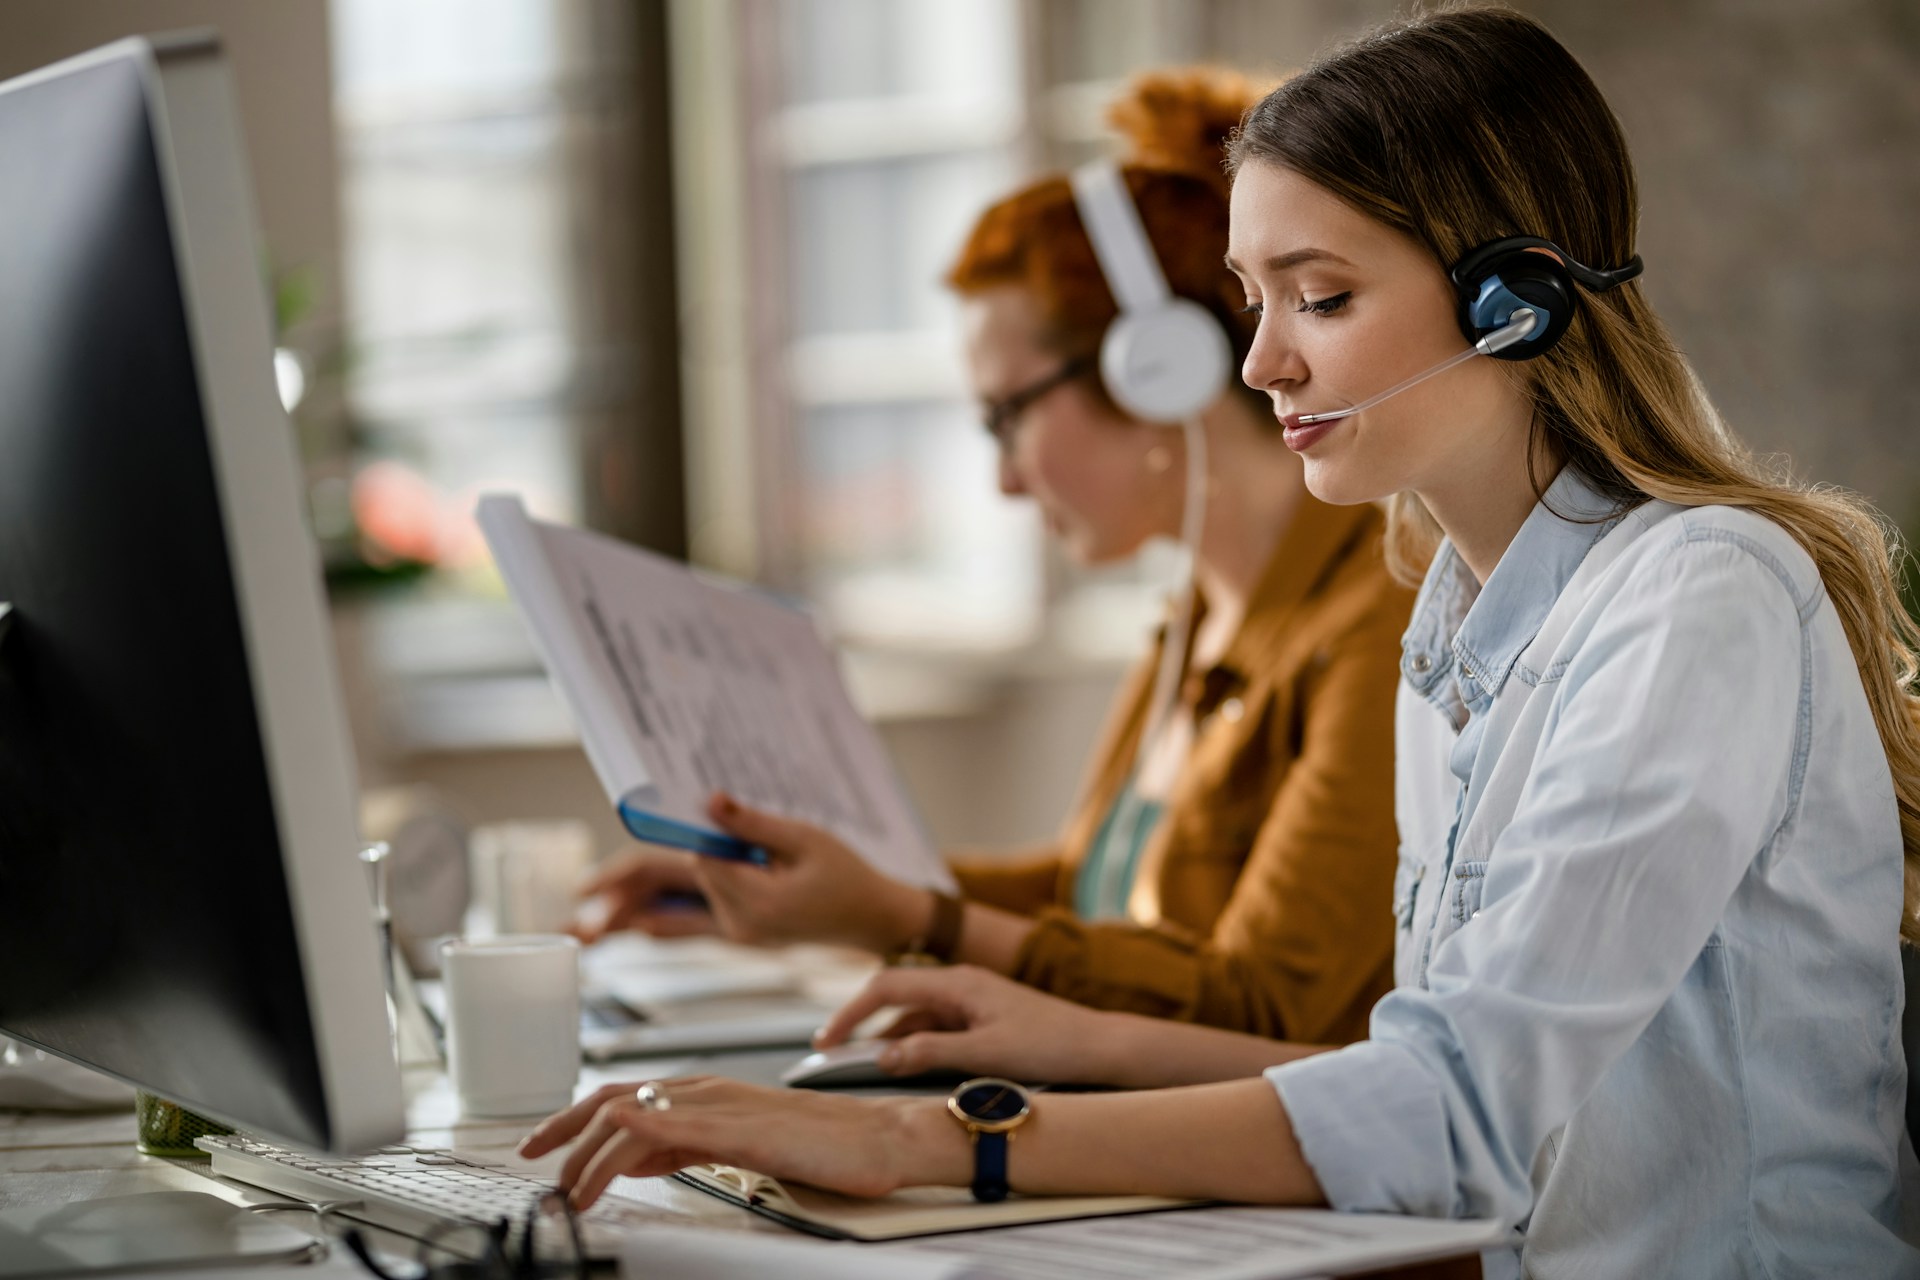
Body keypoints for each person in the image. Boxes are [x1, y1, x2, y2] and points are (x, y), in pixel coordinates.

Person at [523, 9, 1920, 1276]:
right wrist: (1075, 1043)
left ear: (1516, 299)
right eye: (1254, 302)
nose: (1260, 366)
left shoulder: (1698, 599)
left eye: (1320, 298)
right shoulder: (1451, 605)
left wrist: (939, 1141)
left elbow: (1459, 1109)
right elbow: (1418, 1063)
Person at [577, 69, 1417, 1045]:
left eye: (1006, 416)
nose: (1007, 482)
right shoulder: (1197, 613)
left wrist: (902, 916)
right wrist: (809, 876)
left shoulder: (1379, 620)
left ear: (1153, 369)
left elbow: (1262, 1006)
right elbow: (1085, 890)